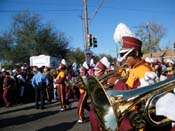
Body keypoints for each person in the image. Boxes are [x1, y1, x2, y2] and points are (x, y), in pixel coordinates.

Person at [89, 56, 110, 131]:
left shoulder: (107, 82)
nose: (94, 72)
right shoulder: (97, 80)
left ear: (102, 71)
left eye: (97, 70)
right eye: (94, 70)